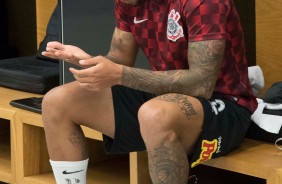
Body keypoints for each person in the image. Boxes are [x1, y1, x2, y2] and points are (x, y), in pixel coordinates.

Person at [41, 0, 258, 183]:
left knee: (154, 114)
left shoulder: (202, 2)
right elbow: (119, 58)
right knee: (57, 101)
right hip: (161, 95)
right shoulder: (128, 2)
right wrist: (85, 61)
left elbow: (201, 84)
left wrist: (119, 74)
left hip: (224, 104)